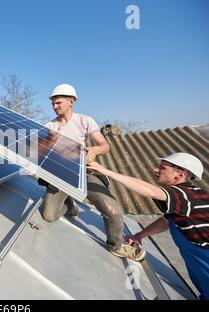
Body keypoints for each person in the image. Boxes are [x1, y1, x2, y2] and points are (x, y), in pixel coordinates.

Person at [41, 84, 145, 261]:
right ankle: (69, 205)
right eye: (53, 103)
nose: (55, 106)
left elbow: (105, 146)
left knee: (115, 212)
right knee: (49, 216)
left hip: (85, 171)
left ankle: (117, 245)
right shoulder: (50, 126)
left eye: (58, 102)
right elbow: (41, 150)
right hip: (61, 173)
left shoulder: (84, 121)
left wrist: (95, 151)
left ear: (71, 101)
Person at [88, 153, 208, 299]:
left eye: (162, 168)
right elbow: (167, 220)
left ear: (180, 175)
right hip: (198, 261)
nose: (155, 170)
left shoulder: (185, 195)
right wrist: (140, 235)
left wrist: (106, 172)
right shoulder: (184, 197)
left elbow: (149, 191)